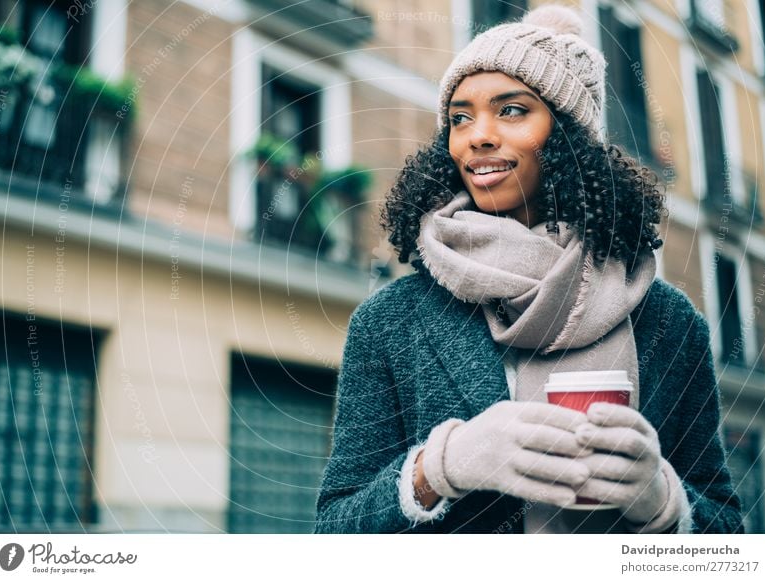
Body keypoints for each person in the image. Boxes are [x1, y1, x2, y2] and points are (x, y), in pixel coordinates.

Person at [314, 4, 743, 534]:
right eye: (460, 117)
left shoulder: (668, 322)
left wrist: (664, 502)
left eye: (512, 110)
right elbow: (333, 531)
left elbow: (729, 538)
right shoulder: (390, 321)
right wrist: (438, 468)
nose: (478, 135)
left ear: (565, 137)